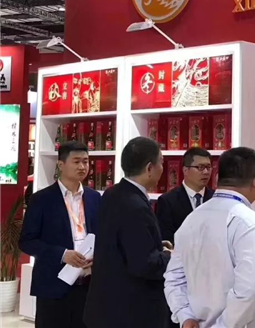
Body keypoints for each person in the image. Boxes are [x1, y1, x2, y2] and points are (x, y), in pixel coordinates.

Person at [164, 147, 255, 328]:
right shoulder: (248, 223)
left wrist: (185, 315)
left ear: (217, 177)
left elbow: (174, 276)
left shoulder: (192, 219)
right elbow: (249, 291)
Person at [84, 137, 171, 328]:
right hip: (131, 312)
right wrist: (170, 255)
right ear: (149, 168)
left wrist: (157, 244)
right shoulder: (136, 205)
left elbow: (123, 244)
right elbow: (144, 264)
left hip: (107, 306)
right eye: (161, 163)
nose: (162, 169)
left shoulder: (113, 193)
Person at [20, 141, 101, 328]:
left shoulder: (94, 198)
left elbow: (101, 235)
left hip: (88, 285)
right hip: (53, 286)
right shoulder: (41, 199)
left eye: (86, 161)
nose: (82, 167)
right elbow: (27, 241)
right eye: (76, 161)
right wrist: (63, 254)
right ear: (61, 165)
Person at [156, 147, 215, 245]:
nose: (206, 172)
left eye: (208, 167)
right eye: (200, 167)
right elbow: (166, 239)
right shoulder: (167, 201)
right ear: (185, 170)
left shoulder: (216, 198)